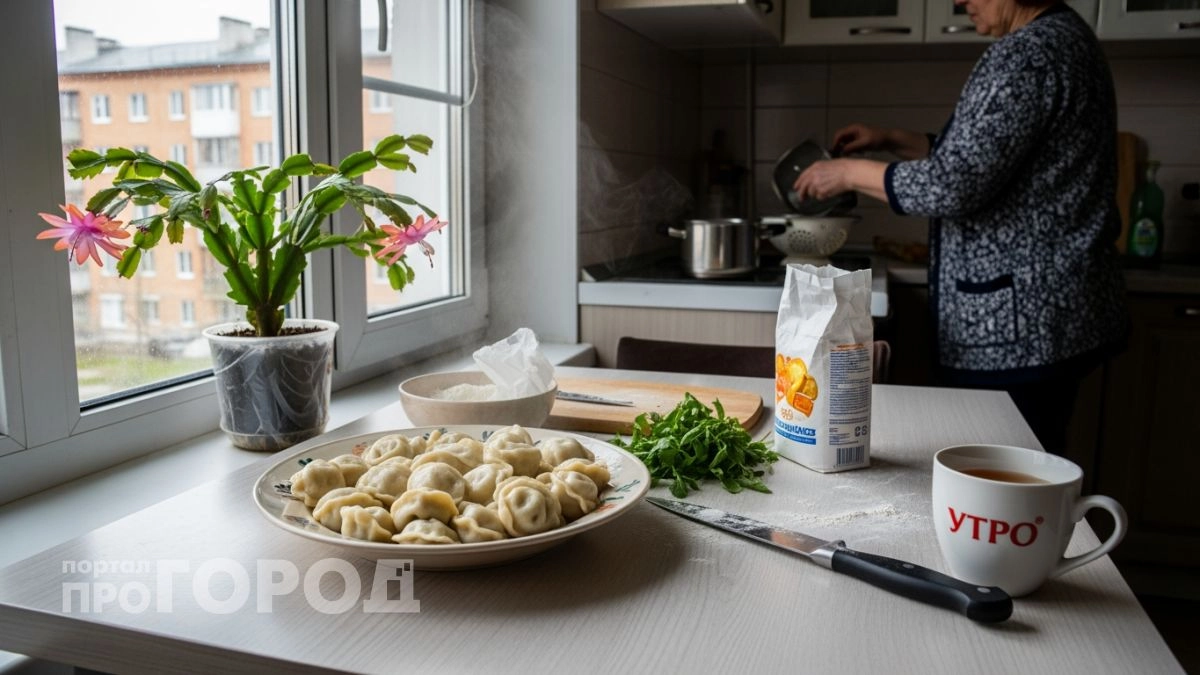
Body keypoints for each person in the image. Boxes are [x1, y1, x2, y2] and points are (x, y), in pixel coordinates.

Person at [792, 0, 1128, 456]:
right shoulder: (1063, 39)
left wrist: (847, 173)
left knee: (1008, 480)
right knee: (1026, 471)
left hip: (1023, 326)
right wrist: (892, 139)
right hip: (1048, 316)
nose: (957, 1)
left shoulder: (1029, 53)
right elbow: (988, 157)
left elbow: (953, 183)